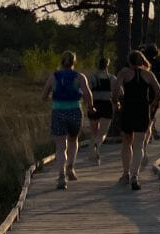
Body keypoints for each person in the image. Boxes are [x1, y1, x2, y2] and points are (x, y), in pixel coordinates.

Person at [112, 50, 160, 190]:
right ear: (142, 61)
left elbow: (115, 90)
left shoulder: (124, 73)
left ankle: (126, 174)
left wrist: (115, 103)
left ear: (129, 61)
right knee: (139, 144)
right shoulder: (148, 74)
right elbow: (159, 93)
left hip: (128, 109)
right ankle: (135, 176)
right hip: (142, 110)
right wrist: (152, 105)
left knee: (126, 143)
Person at [42, 51, 92, 190]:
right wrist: (91, 107)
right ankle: (70, 167)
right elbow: (88, 94)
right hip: (75, 112)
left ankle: (61, 175)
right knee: (73, 141)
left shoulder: (54, 76)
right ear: (73, 62)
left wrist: (51, 96)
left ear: (61, 61)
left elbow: (44, 95)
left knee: (60, 146)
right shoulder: (79, 77)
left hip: (58, 112)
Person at [86, 56, 115, 163]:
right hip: (106, 105)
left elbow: (87, 91)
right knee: (102, 133)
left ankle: (95, 156)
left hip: (94, 104)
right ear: (107, 65)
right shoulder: (112, 78)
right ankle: (96, 146)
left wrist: (89, 105)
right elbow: (119, 92)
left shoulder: (92, 78)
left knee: (94, 132)